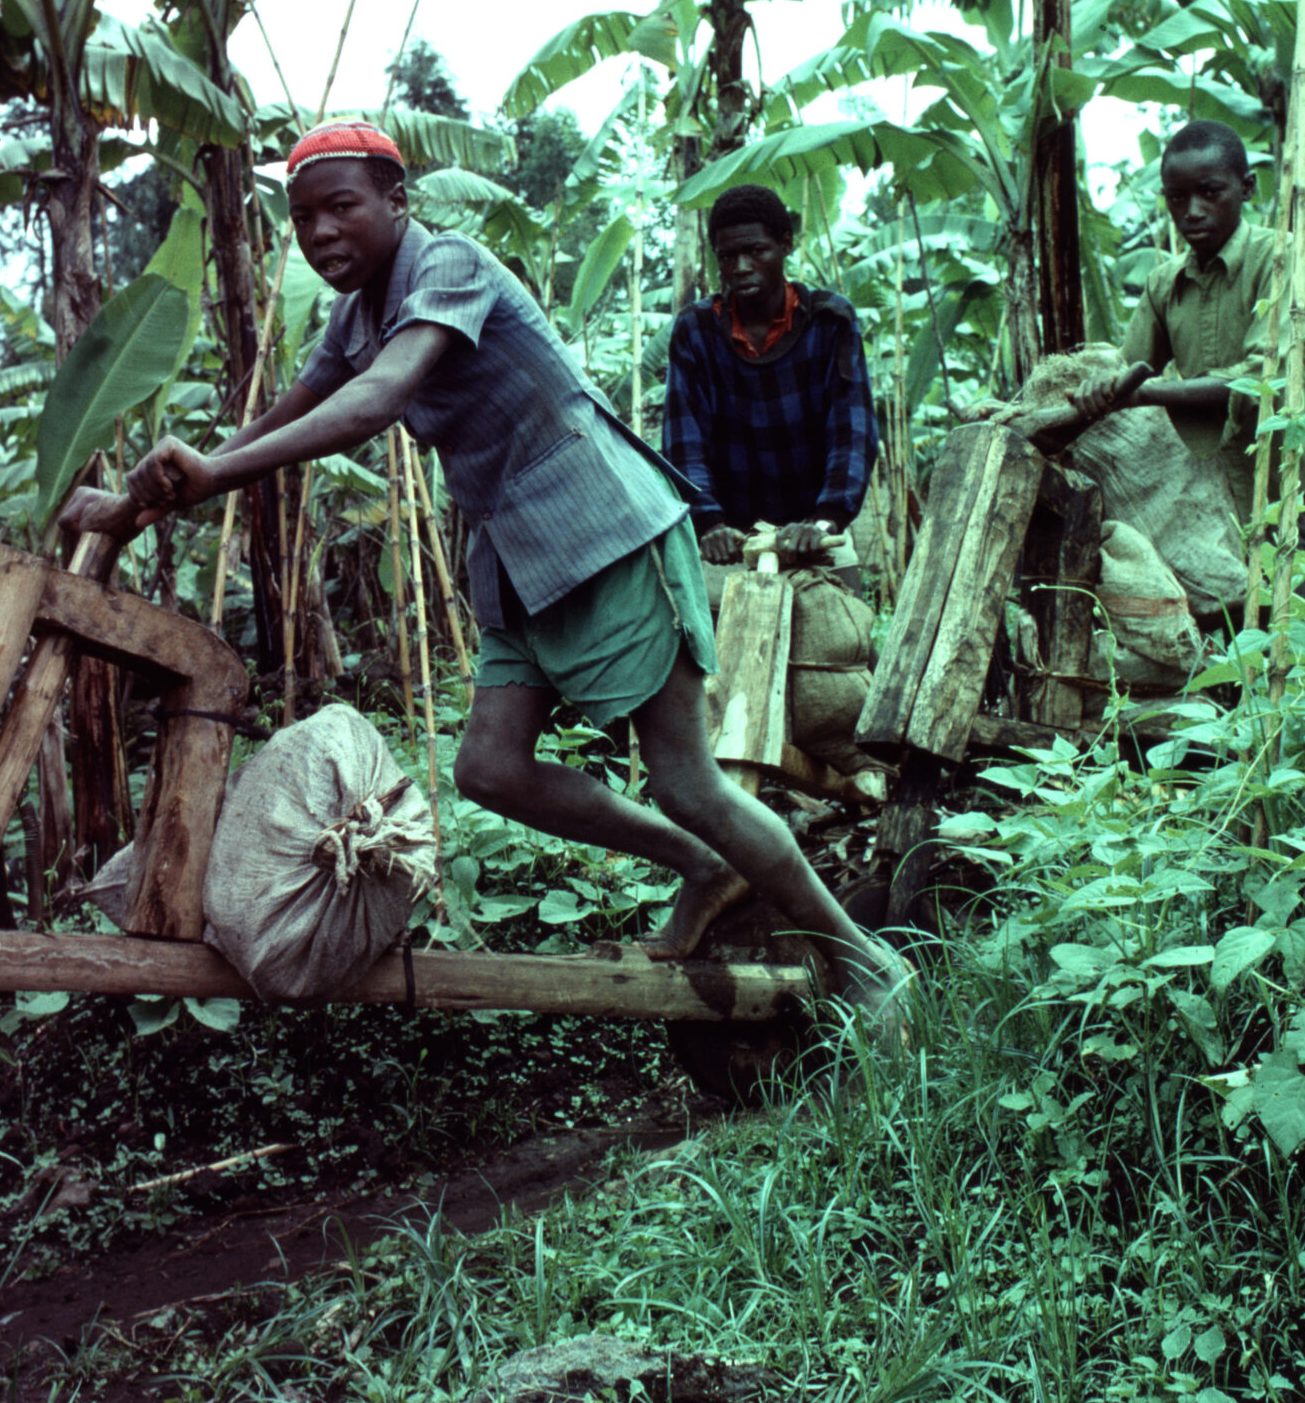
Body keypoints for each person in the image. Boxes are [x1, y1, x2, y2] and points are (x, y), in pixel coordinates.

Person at [60, 119, 907, 1019]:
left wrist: (215, 472)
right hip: (514, 557)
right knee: (491, 769)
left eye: (341, 207)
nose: (319, 234)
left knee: (687, 782)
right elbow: (285, 412)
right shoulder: (355, 316)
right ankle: (701, 866)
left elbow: (375, 401)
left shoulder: (449, 265)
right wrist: (133, 503)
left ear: (397, 201)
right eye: (303, 219)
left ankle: (866, 963)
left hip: (605, 529)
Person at [1075, 119, 1305, 559]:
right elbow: (1127, 368)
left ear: (1247, 188)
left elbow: (1263, 376)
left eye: (1210, 192)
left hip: (1292, 484)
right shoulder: (1164, 283)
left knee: (1295, 620)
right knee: (1233, 624)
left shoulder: (1279, 258)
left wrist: (1143, 395)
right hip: (1213, 499)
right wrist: (1097, 388)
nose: (1192, 211)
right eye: (1177, 198)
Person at [664, 185, 879, 566]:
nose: (741, 267)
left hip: (817, 530)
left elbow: (852, 432)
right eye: (727, 256)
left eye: (756, 251)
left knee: (840, 623)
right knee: (719, 623)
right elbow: (684, 441)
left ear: (785, 244)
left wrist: (826, 520)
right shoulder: (695, 329)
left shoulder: (830, 320)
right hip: (729, 540)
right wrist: (709, 523)